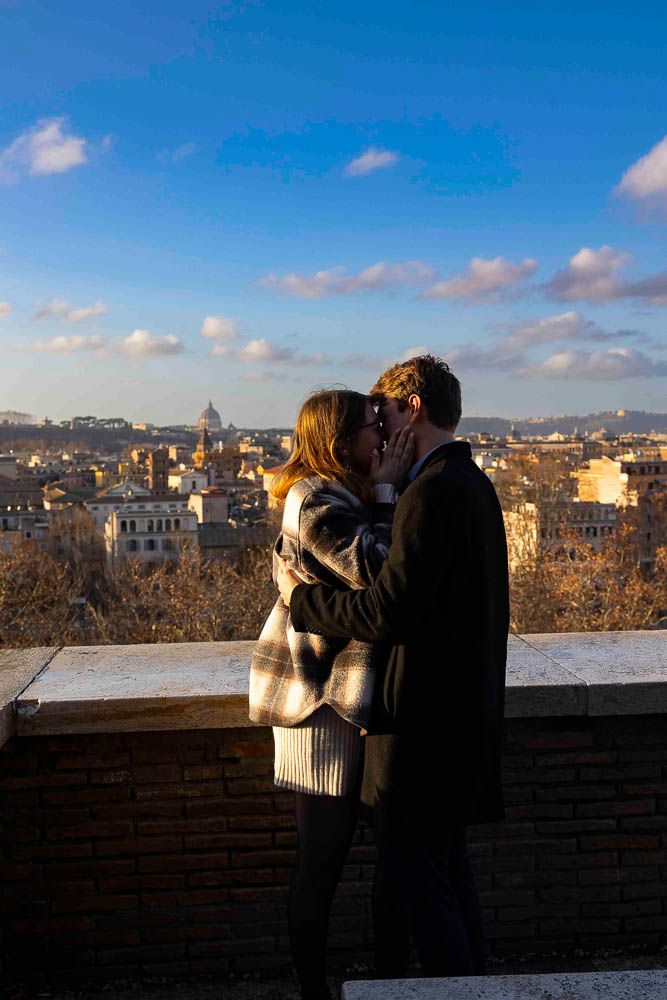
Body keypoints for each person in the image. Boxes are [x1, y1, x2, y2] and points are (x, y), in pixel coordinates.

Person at [276, 355, 510, 981]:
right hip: (415, 714)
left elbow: (386, 607)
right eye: (369, 422)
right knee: (439, 875)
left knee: (427, 880)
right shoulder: (462, 483)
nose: (380, 430)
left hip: (424, 723)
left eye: (384, 413)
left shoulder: (430, 491)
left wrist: (301, 602)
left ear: (414, 408)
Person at [248, 388, 414, 1000]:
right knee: (322, 857)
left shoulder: (342, 495)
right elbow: (379, 574)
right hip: (315, 699)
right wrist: (392, 490)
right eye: (374, 428)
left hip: (341, 698)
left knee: (339, 852)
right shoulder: (314, 499)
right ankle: (314, 992)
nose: (383, 438)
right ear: (340, 441)